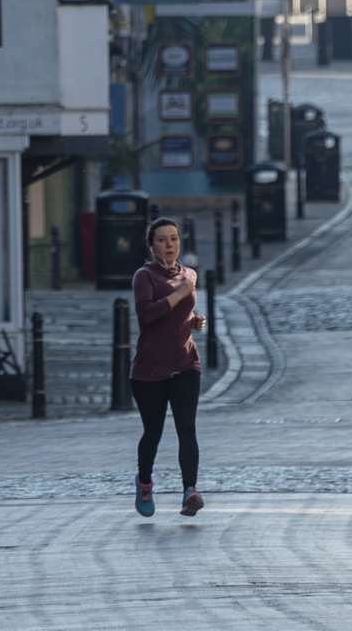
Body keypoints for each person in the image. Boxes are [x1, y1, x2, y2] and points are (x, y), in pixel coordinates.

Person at [130, 218, 206, 517]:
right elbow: (147, 316)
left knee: (187, 428)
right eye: (162, 240)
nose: (169, 245)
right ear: (151, 245)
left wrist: (195, 322)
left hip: (186, 363)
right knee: (153, 431)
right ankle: (145, 481)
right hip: (150, 370)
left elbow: (182, 316)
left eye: (174, 239)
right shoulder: (144, 276)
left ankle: (190, 491)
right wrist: (179, 294)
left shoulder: (189, 274)